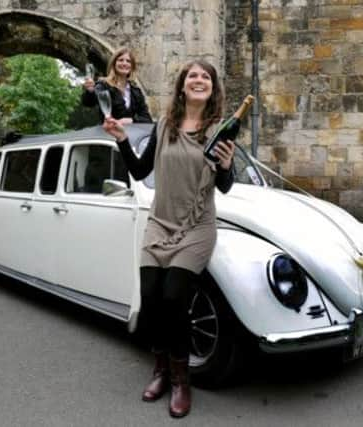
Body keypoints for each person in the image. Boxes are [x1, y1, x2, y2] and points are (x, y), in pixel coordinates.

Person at [103, 60, 235, 418]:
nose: (198, 80)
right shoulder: (164, 126)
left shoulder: (220, 130)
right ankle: (160, 370)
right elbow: (140, 170)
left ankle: (181, 381)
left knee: (175, 297)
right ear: (182, 86)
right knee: (151, 299)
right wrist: (121, 140)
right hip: (160, 223)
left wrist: (226, 166)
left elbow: (224, 185)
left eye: (206, 76)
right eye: (192, 75)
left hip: (196, 227)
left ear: (212, 88)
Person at [82, 47, 152, 125]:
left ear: (132, 66)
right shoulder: (104, 85)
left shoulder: (136, 92)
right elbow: (89, 102)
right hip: (108, 133)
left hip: (131, 135)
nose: (124, 63)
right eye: (121, 60)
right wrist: (90, 90)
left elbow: (147, 119)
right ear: (114, 63)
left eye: (128, 61)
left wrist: (131, 120)